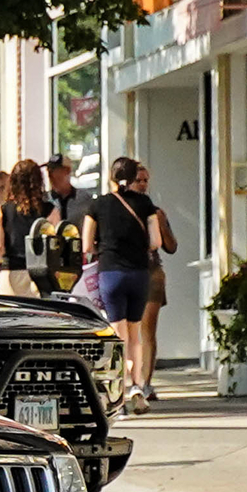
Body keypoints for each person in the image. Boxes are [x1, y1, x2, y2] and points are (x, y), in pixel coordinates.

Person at [81, 157, 175, 410]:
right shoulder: (145, 204)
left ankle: (118, 393)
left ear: (111, 177)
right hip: (139, 274)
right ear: (133, 178)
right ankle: (138, 385)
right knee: (136, 335)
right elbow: (155, 242)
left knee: (116, 335)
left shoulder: (97, 205)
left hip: (110, 273)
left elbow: (87, 245)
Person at [132, 163, 173, 401]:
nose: (144, 185)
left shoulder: (154, 211)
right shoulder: (114, 207)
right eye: (139, 180)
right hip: (124, 270)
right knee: (128, 330)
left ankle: (145, 382)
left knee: (147, 329)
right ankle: (132, 381)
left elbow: (171, 246)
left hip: (151, 271)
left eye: (146, 180)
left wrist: (162, 222)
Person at [0, 161, 47, 296]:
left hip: (10, 274)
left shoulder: (0, 211)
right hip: (39, 277)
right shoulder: (50, 210)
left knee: (9, 317)